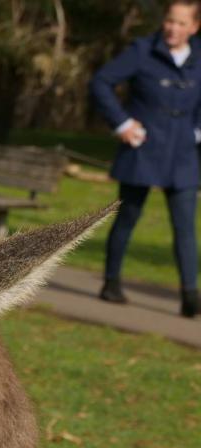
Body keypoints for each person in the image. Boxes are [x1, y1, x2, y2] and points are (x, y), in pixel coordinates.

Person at [90, 0, 201, 317]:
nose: (173, 29)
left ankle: (190, 295)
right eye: (169, 21)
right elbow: (101, 82)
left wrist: (197, 131)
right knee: (127, 217)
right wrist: (122, 123)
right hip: (143, 150)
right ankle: (111, 282)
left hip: (182, 155)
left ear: (194, 27)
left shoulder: (200, 57)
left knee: (185, 227)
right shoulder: (143, 50)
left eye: (181, 23)